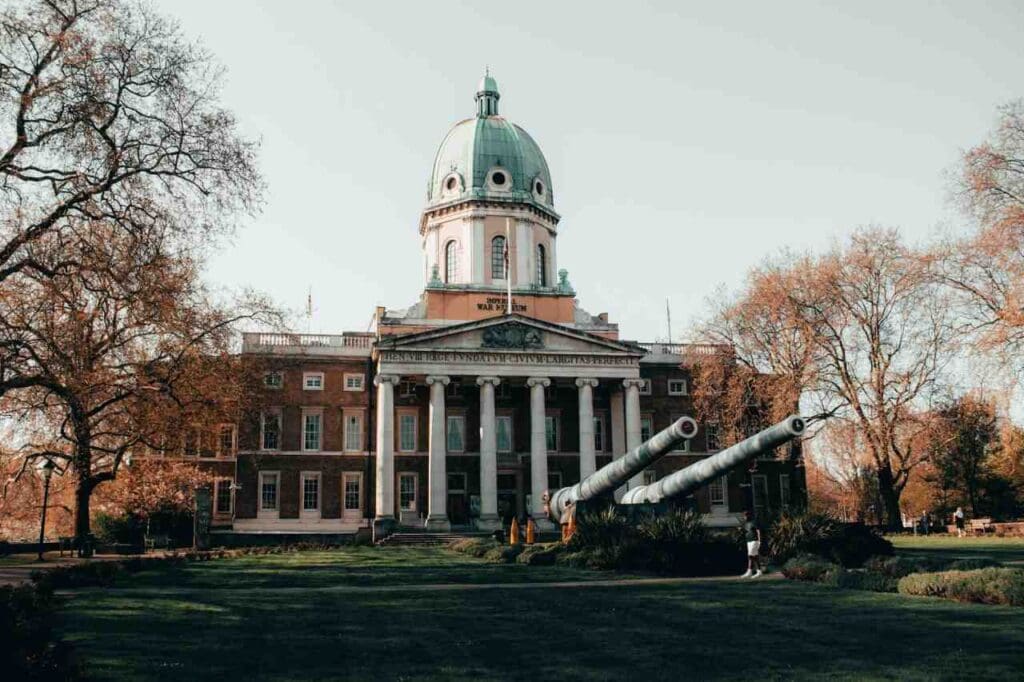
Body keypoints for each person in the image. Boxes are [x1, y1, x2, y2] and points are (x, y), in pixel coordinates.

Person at [741, 511, 762, 578]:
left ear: (749, 516)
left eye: (746, 515)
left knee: (751, 555)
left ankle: (752, 571)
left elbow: (758, 531)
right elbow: (745, 531)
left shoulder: (754, 522)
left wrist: (759, 540)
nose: (745, 517)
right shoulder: (746, 524)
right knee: (753, 556)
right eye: (744, 516)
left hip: (754, 541)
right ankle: (755, 571)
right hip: (749, 541)